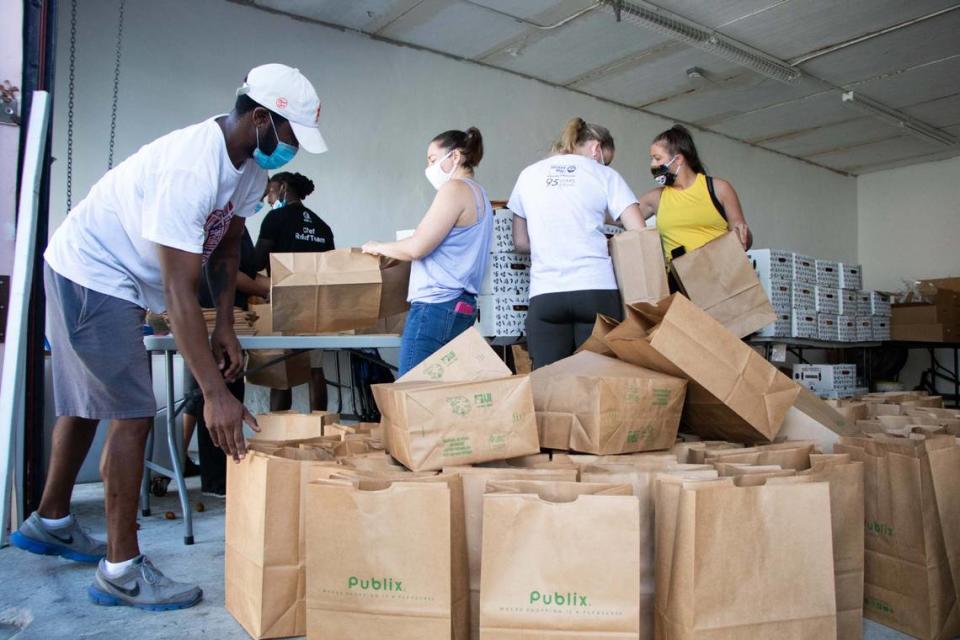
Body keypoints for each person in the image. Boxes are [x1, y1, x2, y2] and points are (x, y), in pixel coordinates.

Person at [11, 63, 327, 611]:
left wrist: (226, 323)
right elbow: (181, 295)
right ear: (259, 118)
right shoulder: (192, 166)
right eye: (290, 135)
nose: (292, 150)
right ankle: (122, 570)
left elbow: (228, 245)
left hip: (124, 280)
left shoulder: (249, 169)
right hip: (92, 271)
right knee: (132, 412)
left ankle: (53, 519)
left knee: (93, 401)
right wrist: (214, 395)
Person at [509, 117, 647, 369]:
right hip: (596, 290)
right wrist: (608, 244)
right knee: (597, 382)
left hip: (545, 293)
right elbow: (640, 233)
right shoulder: (605, 175)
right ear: (595, 148)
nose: (606, 164)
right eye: (606, 158)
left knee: (547, 387)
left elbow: (520, 242)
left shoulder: (527, 175)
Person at [361, 127, 491, 375]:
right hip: (462, 305)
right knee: (441, 394)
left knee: (412, 390)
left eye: (432, 160)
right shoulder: (479, 194)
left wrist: (377, 247)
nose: (428, 167)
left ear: (455, 157)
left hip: (436, 305)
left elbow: (418, 247)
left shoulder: (454, 190)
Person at [180, 227, 267, 497]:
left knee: (216, 392)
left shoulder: (235, 223)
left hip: (227, 320)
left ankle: (218, 473)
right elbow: (221, 272)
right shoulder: (215, 221)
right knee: (216, 394)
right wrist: (268, 288)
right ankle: (218, 479)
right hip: (211, 317)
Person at [254, 171, 334, 411]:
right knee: (315, 369)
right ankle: (321, 428)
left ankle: (279, 436)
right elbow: (330, 268)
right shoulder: (322, 226)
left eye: (270, 190)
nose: (268, 198)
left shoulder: (275, 218)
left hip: (283, 302)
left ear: (283, 187)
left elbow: (257, 261)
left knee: (282, 370)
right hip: (316, 305)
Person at [638, 124, 752, 261]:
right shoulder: (656, 197)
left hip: (721, 275)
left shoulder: (719, 189)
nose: (653, 164)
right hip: (678, 279)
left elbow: (743, 237)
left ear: (678, 159)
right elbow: (618, 217)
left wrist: (743, 234)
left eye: (657, 158)